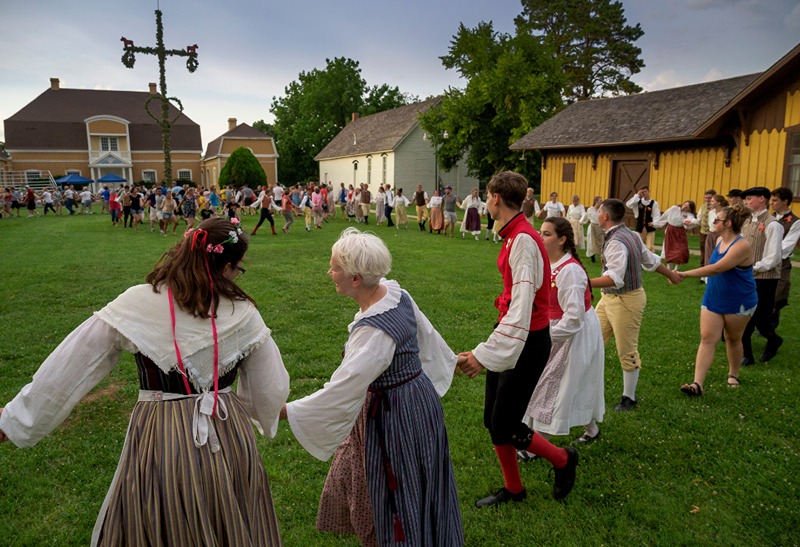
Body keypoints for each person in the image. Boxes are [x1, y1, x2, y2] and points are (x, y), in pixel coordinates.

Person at [0, 217, 290, 545]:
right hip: (228, 435)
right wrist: (258, 414)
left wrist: (15, 419)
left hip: (161, 434)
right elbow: (271, 388)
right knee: (231, 517)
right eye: (238, 268)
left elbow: (73, 365)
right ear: (225, 269)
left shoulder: (136, 304)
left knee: (161, 519)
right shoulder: (243, 313)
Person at [282, 228, 463, 546]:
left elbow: (342, 389)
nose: (329, 272)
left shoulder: (374, 332)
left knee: (395, 488)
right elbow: (426, 335)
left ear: (355, 279)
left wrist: (286, 411)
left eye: (334, 267)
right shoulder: (397, 294)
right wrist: (450, 360)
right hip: (419, 399)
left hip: (394, 415)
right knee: (419, 478)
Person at [457, 171, 579, 508]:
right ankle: (515, 489)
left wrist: (484, 354)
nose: (486, 203)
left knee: (504, 423)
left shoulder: (524, 240)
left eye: (487, 197)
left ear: (496, 199)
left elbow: (522, 310)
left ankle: (562, 459)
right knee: (493, 421)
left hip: (527, 341)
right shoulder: (513, 235)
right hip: (514, 334)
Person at [522, 217, 604, 447]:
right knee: (563, 381)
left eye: (547, 234)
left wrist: (544, 336)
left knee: (555, 384)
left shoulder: (570, 273)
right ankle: (591, 428)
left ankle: (540, 443)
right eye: (540, 232)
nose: (540, 237)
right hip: (555, 327)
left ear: (562, 240)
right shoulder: (548, 263)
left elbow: (573, 319)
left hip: (574, 333)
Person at [590, 198, 678, 411]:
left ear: (605, 216)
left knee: (627, 349)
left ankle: (629, 398)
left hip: (627, 299)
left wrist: (582, 282)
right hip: (609, 298)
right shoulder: (631, 235)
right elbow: (651, 260)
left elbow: (615, 278)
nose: (597, 214)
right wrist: (672, 275)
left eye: (599, 211)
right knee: (591, 340)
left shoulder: (618, 241)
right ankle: (583, 386)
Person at [674, 204, 756, 395]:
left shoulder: (742, 245)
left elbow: (717, 268)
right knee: (707, 338)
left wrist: (684, 274)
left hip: (739, 300)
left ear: (727, 223)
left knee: (733, 339)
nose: (713, 221)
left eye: (717, 219)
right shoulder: (719, 240)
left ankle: (733, 374)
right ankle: (697, 384)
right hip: (714, 296)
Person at [739, 186, 783, 364]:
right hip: (747, 276)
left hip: (765, 279)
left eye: (749, 198)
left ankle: (773, 339)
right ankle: (747, 356)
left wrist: (752, 267)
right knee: (745, 316)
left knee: (759, 318)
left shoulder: (773, 225)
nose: (746, 202)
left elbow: (773, 258)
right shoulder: (747, 222)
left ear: (761, 199)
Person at [770, 187, 799, 329]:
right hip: (764, 261)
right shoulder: (769, 218)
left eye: (775, 200)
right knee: (763, 295)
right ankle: (764, 323)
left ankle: (771, 328)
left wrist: (768, 252)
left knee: (778, 296)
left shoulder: (795, 222)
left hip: (781, 263)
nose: (771, 203)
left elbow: (787, 246)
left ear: (785, 201)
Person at [654, 200, 698, 270]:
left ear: (690, 209)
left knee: (681, 250)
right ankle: (669, 268)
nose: (685, 206)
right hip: (670, 231)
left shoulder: (689, 215)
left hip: (680, 233)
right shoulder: (674, 208)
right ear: (683, 203)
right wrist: (655, 224)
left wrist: (689, 222)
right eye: (685, 204)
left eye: (688, 207)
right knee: (669, 249)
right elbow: (665, 216)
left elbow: (690, 221)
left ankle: (676, 269)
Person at [626, 186, 661, 252]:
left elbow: (656, 214)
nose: (644, 193)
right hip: (640, 226)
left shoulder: (654, 203)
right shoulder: (637, 202)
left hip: (650, 227)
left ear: (648, 191)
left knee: (650, 247)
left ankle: (649, 261)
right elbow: (628, 205)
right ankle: (639, 260)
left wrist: (654, 223)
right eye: (642, 192)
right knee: (638, 245)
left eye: (645, 191)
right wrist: (637, 195)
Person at [581, 196, 604, 263]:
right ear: (596, 201)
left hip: (599, 227)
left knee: (601, 242)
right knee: (591, 241)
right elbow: (586, 218)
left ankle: (602, 257)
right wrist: (581, 222)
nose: (601, 202)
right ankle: (592, 257)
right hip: (592, 226)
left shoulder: (602, 210)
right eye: (600, 201)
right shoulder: (590, 209)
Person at [697, 189, 717, 267]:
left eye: (709, 198)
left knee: (712, 251)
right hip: (703, 232)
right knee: (703, 252)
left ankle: (712, 268)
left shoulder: (716, 208)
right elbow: (699, 219)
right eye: (706, 198)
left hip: (712, 233)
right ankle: (702, 271)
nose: (707, 200)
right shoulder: (703, 207)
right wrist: (690, 222)